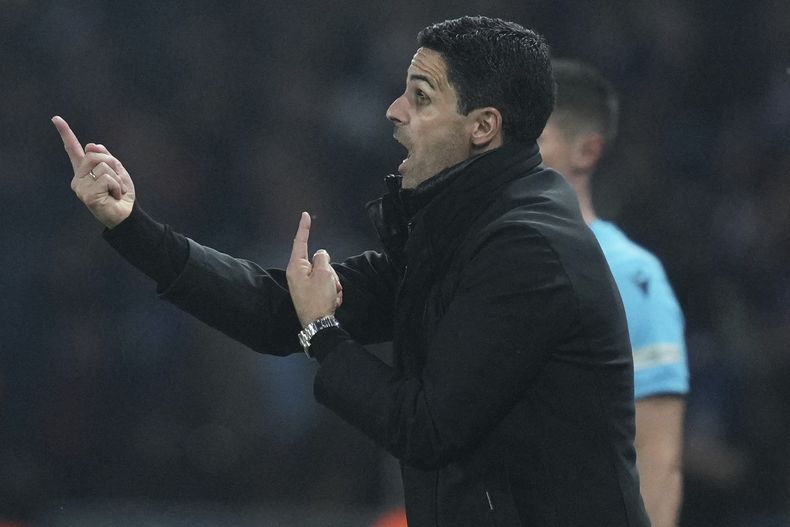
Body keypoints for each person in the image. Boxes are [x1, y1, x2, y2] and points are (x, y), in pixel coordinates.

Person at [53, 16, 650, 526]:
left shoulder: (528, 250)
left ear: (483, 126)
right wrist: (131, 226)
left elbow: (428, 427)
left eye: (420, 96)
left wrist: (325, 336)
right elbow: (274, 309)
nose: (393, 111)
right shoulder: (458, 235)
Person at [539, 59, 690, 527]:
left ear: (586, 152)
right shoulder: (475, 261)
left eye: (534, 138)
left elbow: (658, 460)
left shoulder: (632, 275)